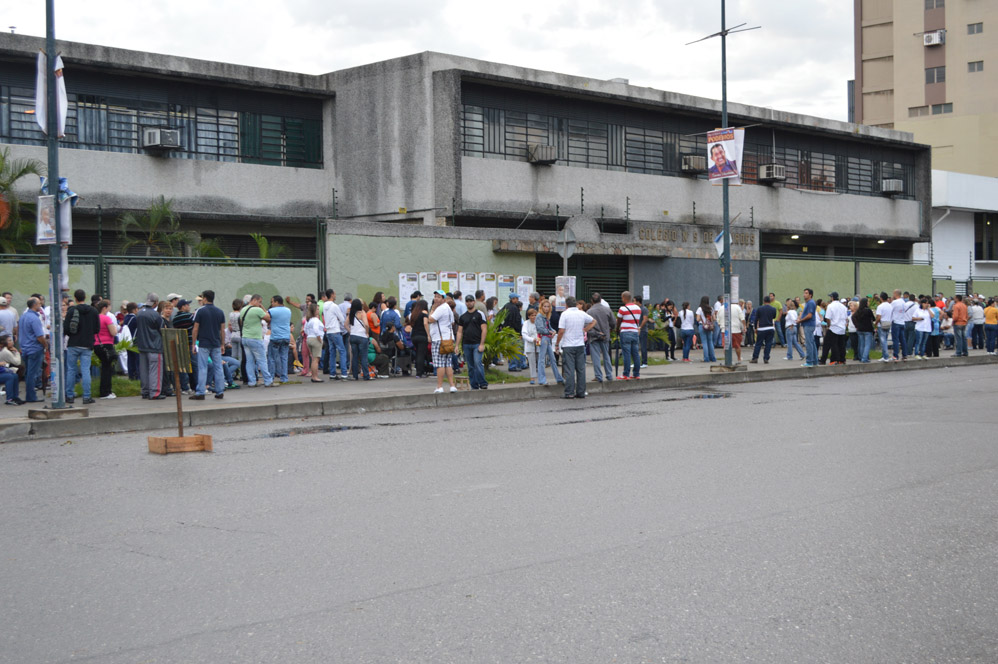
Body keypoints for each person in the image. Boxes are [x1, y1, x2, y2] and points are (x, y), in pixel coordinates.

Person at [64, 289, 100, 405]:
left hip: (73, 343)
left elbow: (66, 329)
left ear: (75, 298)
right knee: (85, 370)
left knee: (71, 370)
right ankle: (87, 397)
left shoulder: (72, 310)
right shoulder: (93, 311)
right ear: (85, 297)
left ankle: (69, 396)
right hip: (87, 344)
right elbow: (97, 329)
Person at [189, 289, 227, 400]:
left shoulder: (200, 311)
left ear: (205, 298)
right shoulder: (220, 312)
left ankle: (201, 392)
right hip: (216, 343)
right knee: (218, 367)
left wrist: (193, 344)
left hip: (204, 343)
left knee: (202, 367)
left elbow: (195, 329)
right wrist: (222, 344)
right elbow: (222, 330)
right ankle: (220, 391)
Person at [556, 296, 595, 399]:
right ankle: (581, 392)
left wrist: (557, 343)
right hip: (580, 344)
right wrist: (585, 330)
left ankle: (569, 392)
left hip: (568, 345)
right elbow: (593, 321)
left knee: (569, 369)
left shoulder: (565, 314)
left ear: (566, 304)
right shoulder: (581, 313)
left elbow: (561, 331)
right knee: (581, 369)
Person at [135, 293, 165, 400]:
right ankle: (155, 392)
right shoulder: (155, 315)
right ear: (156, 302)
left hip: (142, 345)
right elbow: (161, 330)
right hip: (154, 346)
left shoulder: (139, 313)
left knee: (144, 370)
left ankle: (145, 391)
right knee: (155, 370)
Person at [426, 290, 457, 393]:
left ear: (444, 299)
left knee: (439, 364)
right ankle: (452, 386)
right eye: (435, 296)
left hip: (439, 339)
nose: (436, 299)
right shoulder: (448, 308)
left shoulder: (440, 308)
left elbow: (430, 319)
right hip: (448, 338)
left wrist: (432, 309)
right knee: (448, 363)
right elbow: (452, 322)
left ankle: (439, 387)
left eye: (439, 297)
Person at [16, 298, 46, 403]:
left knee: (29, 373)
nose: (40, 305)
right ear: (34, 305)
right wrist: (45, 344)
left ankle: (30, 395)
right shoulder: (34, 319)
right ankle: (31, 396)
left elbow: (19, 332)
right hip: (34, 349)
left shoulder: (23, 316)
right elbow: (39, 336)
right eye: (39, 303)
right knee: (32, 374)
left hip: (25, 349)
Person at [240, 295, 273, 387]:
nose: (260, 304)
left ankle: (252, 381)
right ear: (254, 300)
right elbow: (268, 318)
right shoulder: (257, 310)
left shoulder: (243, 310)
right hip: (255, 338)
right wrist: (262, 307)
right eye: (259, 302)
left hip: (245, 337)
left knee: (249, 361)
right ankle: (268, 380)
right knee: (262, 360)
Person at [456, 295, 488, 390]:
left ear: (474, 302)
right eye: (467, 301)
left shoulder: (479, 314)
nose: (469, 303)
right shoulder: (463, 317)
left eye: (471, 301)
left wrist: (482, 344)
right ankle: (474, 385)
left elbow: (484, 329)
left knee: (477, 362)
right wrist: (457, 345)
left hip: (477, 343)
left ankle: (482, 383)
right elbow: (459, 332)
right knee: (470, 366)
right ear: (465, 303)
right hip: (466, 344)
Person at [92, 300, 119, 400]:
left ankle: (104, 391)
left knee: (104, 367)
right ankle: (106, 392)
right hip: (107, 344)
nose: (109, 309)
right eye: (108, 307)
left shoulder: (95, 318)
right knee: (107, 369)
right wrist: (115, 328)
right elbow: (113, 332)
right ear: (104, 308)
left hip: (97, 344)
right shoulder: (106, 318)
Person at [616, 291, 645, 380]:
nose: (622, 299)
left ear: (624, 298)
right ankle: (636, 373)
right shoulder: (638, 308)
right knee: (635, 354)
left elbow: (619, 321)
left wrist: (617, 329)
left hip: (625, 333)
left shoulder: (622, 309)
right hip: (635, 332)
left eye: (622, 297)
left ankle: (626, 374)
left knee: (626, 354)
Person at [587, 293, 615, 382]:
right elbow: (613, 323)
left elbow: (587, 326)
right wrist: (609, 329)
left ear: (591, 301)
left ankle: (598, 376)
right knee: (606, 355)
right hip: (605, 336)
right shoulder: (607, 310)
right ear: (600, 299)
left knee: (595, 357)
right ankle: (609, 375)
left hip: (594, 336)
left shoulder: (589, 312)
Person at [535, 299, 564, 386]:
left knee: (553, 359)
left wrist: (553, 331)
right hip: (543, 338)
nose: (546, 308)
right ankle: (542, 379)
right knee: (542, 359)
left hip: (547, 339)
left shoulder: (546, 316)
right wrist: (550, 332)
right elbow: (540, 329)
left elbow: (549, 327)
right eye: (545, 306)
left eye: (548, 306)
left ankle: (558, 378)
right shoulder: (539, 316)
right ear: (541, 307)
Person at [749, 296, 777, 364]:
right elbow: (774, 317)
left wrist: (755, 328)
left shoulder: (759, 309)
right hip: (770, 328)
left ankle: (755, 358)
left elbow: (756, 319)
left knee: (758, 343)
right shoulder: (773, 309)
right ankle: (766, 358)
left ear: (764, 301)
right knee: (768, 344)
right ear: (770, 301)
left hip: (762, 328)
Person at [824, 293, 848, 365]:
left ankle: (834, 359)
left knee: (833, 344)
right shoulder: (843, 307)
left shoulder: (830, 306)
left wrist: (829, 325)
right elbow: (846, 318)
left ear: (832, 298)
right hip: (842, 328)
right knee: (841, 345)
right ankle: (842, 359)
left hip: (834, 327)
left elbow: (828, 318)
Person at [718, 298, 746, 362]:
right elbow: (742, 318)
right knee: (737, 345)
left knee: (726, 346)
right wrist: (744, 326)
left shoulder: (721, 308)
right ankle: (739, 358)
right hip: (736, 330)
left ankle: (728, 360)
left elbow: (718, 321)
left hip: (725, 330)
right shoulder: (737, 307)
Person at [303, 302, 325, 383]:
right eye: (317, 309)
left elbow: (305, 330)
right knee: (316, 359)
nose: (318, 310)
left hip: (309, 338)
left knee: (313, 359)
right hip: (315, 339)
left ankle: (313, 375)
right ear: (314, 311)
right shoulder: (315, 320)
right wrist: (319, 338)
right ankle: (315, 376)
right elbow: (316, 329)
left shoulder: (308, 320)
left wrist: (310, 335)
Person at [408, 299, 430, 378]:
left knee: (418, 353)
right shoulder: (424, 313)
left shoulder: (414, 314)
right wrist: (428, 335)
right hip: (422, 336)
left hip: (414, 336)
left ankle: (418, 370)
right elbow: (425, 323)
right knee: (421, 354)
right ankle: (419, 373)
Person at [853, 297, 875, 363]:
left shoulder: (858, 311)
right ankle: (865, 358)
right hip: (868, 329)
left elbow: (853, 317)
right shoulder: (868, 310)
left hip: (860, 329)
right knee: (867, 344)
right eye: (867, 302)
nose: (868, 303)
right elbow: (873, 319)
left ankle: (861, 357)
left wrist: (856, 325)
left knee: (861, 344)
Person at [695, 296, 716, 363]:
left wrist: (702, 319)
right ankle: (713, 358)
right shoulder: (711, 308)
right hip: (709, 327)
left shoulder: (700, 309)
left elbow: (697, 319)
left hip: (702, 326)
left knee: (704, 342)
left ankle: (706, 358)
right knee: (710, 342)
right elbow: (714, 318)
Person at [522, 308, 539, 384]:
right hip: (530, 344)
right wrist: (532, 339)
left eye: (535, 315)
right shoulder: (526, 323)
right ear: (529, 316)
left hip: (539, 344)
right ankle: (532, 377)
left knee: (540, 362)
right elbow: (524, 334)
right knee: (532, 362)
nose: (534, 317)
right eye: (532, 315)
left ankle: (541, 376)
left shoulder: (539, 322)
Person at [875, 291, 894, 362]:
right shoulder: (890, 306)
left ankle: (886, 356)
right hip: (888, 324)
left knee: (883, 341)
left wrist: (876, 323)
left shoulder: (880, 306)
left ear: (881, 298)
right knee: (885, 339)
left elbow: (878, 317)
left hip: (881, 324)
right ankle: (883, 356)